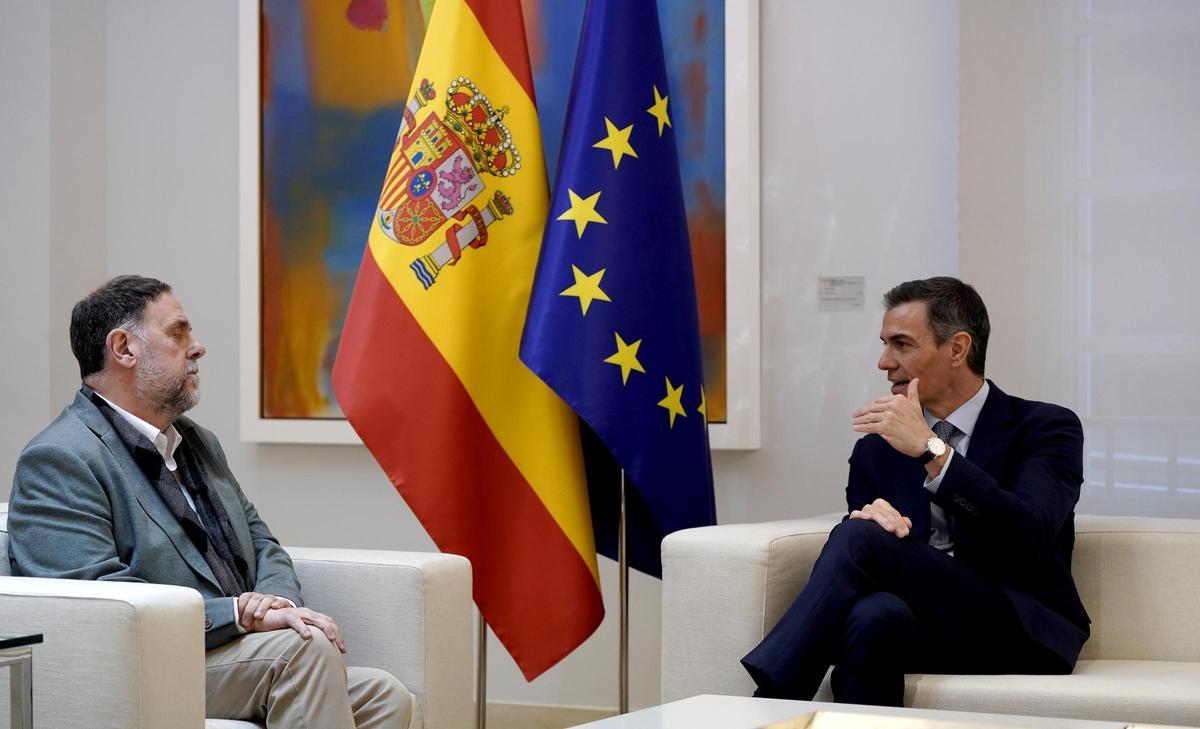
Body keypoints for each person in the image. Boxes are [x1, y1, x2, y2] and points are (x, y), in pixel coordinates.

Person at [8, 275, 412, 728]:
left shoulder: (197, 442)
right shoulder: (61, 457)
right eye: (178, 333)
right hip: (145, 666)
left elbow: (262, 543)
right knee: (303, 651)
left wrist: (276, 603)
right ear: (124, 348)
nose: (197, 347)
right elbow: (95, 603)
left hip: (227, 652)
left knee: (385, 696)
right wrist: (238, 615)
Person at [742, 276, 1090, 706]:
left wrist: (931, 450)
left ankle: (772, 698)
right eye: (884, 344)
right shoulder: (876, 448)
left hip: (1018, 626)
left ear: (957, 348)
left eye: (902, 344)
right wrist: (870, 522)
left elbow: (1031, 532)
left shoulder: (1045, 427)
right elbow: (869, 555)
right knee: (873, 613)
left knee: (861, 541)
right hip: (923, 623)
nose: (884, 362)